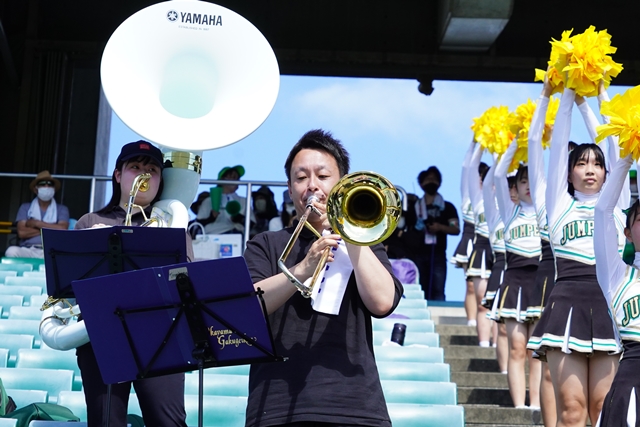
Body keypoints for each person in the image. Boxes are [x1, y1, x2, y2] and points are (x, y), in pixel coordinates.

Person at [242, 129, 403, 427]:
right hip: (276, 407)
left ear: (342, 183)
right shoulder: (266, 243)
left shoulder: (366, 244)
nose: (311, 186)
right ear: (290, 191)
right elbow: (248, 305)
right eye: (300, 178)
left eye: (322, 176)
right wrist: (302, 269)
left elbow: (382, 302)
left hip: (355, 407)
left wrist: (350, 231)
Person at [61, 141, 189, 427]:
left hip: (160, 337)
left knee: (167, 422)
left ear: (160, 181)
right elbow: (70, 289)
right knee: (106, 422)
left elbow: (184, 281)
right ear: (118, 175)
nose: (144, 174)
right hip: (102, 336)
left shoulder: (173, 223)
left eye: (152, 170)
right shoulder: (89, 221)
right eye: (135, 167)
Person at [527, 85, 627, 426]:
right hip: (565, 303)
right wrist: (561, 94)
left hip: (607, 305)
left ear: (606, 173)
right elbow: (547, 148)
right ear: (569, 172)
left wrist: (597, 96)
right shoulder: (557, 204)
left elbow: (617, 144)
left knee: (602, 408)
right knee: (571, 409)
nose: (590, 169)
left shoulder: (616, 205)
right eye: (582, 163)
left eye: (597, 164)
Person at [494, 141, 542, 410]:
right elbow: (499, 174)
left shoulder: (549, 211)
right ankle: (519, 406)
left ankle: (535, 403)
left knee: (536, 350)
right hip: (514, 281)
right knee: (516, 347)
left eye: (532, 180)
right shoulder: (509, 212)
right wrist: (516, 143)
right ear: (516, 187)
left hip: (539, 282)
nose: (528, 186)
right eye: (523, 181)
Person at [594, 154, 640, 426]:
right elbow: (602, 211)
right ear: (627, 233)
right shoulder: (616, 275)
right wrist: (626, 155)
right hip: (631, 378)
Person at [406, 166, 460, 300]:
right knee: (417, 288)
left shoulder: (447, 207)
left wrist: (440, 227)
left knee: (438, 289)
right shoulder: (415, 206)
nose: (432, 182)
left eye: (435, 180)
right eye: (428, 179)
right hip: (417, 253)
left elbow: (456, 229)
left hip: (438, 254)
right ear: (421, 183)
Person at [5, 170, 70, 258]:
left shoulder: (62, 209)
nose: (46, 186)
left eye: (50, 184)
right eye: (42, 184)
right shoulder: (25, 207)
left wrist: (36, 223)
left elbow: (62, 229)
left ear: (54, 189)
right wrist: (51, 228)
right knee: (11, 251)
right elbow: (22, 232)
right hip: (28, 249)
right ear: (36, 189)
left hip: (51, 250)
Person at [453, 141, 478, 325]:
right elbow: (465, 168)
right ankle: (471, 322)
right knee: (471, 285)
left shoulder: (497, 200)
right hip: (471, 241)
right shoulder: (468, 197)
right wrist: (474, 144)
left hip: (493, 244)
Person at [196, 165, 254, 235]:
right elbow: (198, 224)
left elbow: (252, 224)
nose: (234, 180)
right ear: (222, 180)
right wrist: (211, 218)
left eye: (236, 178)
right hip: (212, 236)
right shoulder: (208, 201)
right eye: (231, 177)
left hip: (237, 237)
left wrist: (239, 218)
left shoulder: (244, 201)